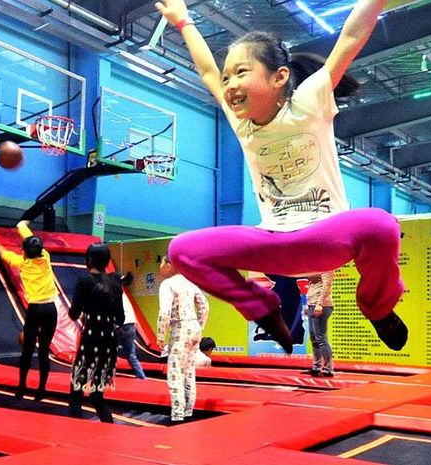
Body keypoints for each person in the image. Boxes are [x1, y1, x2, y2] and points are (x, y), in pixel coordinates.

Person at [156, 0, 408, 355]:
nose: (229, 84)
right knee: (183, 250)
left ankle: (379, 309)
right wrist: (183, 22)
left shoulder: (308, 102)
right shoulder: (241, 122)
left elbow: (352, 35)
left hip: (326, 236)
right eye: (229, 77)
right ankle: (263, 309)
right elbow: (208, 73)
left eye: (242, 73)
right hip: (273, 242)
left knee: (380, 224)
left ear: (279, 77)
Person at [0, 220, 58, 401]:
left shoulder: (21, 263)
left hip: (35, 309)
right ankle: (41, 390)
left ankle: (21, 387)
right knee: (44, 351)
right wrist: (22, 224)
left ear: (24, 252)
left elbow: (3, 253)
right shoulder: (46, 258)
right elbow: (26, 233)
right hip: (50, 309)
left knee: (27, 350)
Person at [67, 243, 124, 423]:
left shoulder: (84, 281)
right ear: (107, 262)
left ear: (88, 260)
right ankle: (108, 428)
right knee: (97, 395)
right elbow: (120, 318)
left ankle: (75, 433)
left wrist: (86, 312)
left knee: (76, 392)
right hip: (109, 341)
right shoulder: (114, 283)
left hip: (91, 338)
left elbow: (73, 313)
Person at [156, 256, 210, 424]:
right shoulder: (189, 281)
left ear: (170, 265)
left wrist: (160, 335)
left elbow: (164, 312)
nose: (161, 266)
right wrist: (200, 325)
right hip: (193, 327)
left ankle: (178, 414)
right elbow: (204, 305)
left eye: (162, 263)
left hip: (180, 328)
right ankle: (188, 411)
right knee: (188, 372)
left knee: (175, 372)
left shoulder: (168, 284)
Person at [116, 272, 147, 379]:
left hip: (121, 325)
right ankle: (142, 377)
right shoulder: (122, 293)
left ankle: (107, 374)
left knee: (108, 351)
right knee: (131, 355)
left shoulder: (113, 292)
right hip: (130, 325)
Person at [306, 271, 335, 377]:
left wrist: (319, 304)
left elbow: (327, 285)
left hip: (322, 305)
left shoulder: (327, 266)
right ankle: (316, 366)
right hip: (312, 304)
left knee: (321, 338)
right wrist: (309, 305)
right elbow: (312, 284)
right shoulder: (315, 266)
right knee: (313, 337)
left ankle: (328, 368)